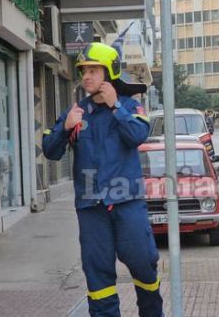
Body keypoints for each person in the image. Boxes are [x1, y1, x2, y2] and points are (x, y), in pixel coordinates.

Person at [43, 42, 163, 317]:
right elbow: (50, 150)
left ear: (110, 72)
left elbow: (136, 136)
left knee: (144, 264)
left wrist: (116, 107)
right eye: (83, 70)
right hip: (91, 208)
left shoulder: (131, 106)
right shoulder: (76, 112)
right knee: (98, 278)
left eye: (93, 70)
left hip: (127, 202)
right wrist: (65, 127)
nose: (86, 76)